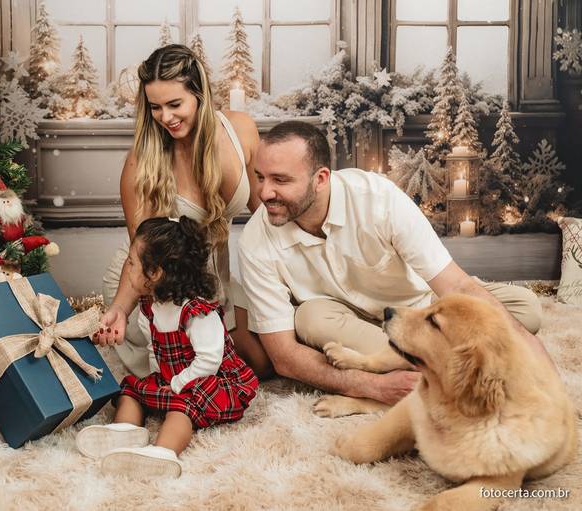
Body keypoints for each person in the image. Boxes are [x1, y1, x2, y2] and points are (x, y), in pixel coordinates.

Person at [236, 120, 546, 406]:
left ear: (320, 179)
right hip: (340, 319)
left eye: (280, 180)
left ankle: (425, 361)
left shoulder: (377, 198)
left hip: (418, 309)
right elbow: (284, 357)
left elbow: (455, 284)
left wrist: (542, 369)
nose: (264, 193)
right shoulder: (255, 239)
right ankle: (439, 364)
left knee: (524, 309)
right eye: (260, 177)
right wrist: (371, 386)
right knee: (309, 318)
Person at [96, 44, 269, 379]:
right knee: (200, 379)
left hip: (215, 281)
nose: (166, 117)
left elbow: (263, 211)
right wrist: (119, 307)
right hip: (162, 288)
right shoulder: (141, 163)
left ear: (199, 94)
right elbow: (142, 256)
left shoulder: (241, 130)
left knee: (263, 366)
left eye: (175, 104)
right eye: (156, 107)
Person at [79, 217, 259, 477]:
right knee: (131, 389)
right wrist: (159, 380)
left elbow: (209, 361)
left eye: (131, 263)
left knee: (180, 408)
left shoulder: (197, 312)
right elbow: (154, 349)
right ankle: (125, 432)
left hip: (210, 381)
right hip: (174, 377)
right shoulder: (149, 307)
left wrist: (176, 385)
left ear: (155, 274)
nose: (127, 268)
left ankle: (163, 452)